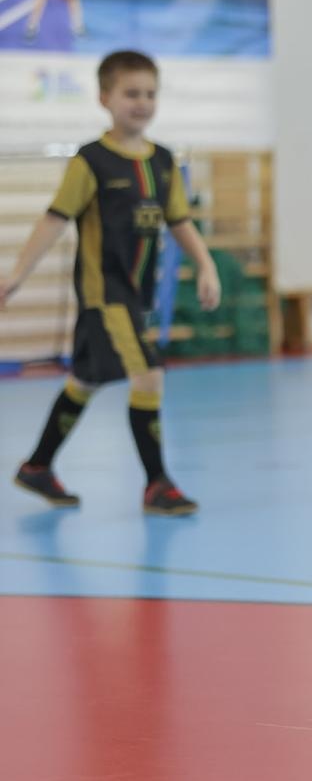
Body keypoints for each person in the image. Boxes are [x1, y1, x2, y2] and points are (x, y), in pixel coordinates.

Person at [3, 50, 222, 514]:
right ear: (106, 98)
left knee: (83, 381)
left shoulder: (163, 161)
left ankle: (37, 466)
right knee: (149, 374)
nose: (141, 103)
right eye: (130, 93)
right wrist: (17, 275)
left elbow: (180, 221)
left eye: (149, 94)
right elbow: (53, 220)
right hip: (105, 297)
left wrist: (206, 264)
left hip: (135, 297)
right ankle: (157, 484)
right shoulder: (91, 162)